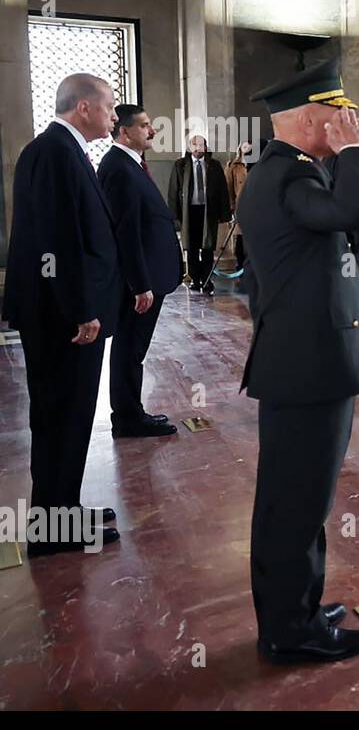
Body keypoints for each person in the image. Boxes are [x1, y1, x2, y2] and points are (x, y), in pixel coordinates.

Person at [239, 57, 359, 664]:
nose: (349, 121)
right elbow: (354, 214)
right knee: (297, 501)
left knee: (298, 498)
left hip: (303, 360)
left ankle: (295, 608)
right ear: (311, 119)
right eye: (340, 113)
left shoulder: (288, 172)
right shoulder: (290, 178)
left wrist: (348, 159)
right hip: (307, 365)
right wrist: (358, 152)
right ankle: (290, 631)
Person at [2, 74, 123, 556]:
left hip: (62, 312)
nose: (115, 115)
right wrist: (81, 309)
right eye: (110, 106)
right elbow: (56, 241)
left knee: (69, 417)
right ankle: (52, 530)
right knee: (61, 416)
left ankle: (62, 512)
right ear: (85, 108)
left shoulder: (62, 150)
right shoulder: (54, 152)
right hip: (63, 318)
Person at [99, 103, 183, 438]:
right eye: (145, 125)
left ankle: (130, 412)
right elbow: (125, 231)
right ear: (125, 131)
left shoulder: (130, 164)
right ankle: (128, 418)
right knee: (130, 347)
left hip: (147, 274)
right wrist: (139, 284)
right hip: (140, 280)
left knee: (134, 348)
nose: (152, 130)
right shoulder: (119, 168)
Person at [167, 133, 232, 293]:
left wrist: (225, 214)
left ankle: (207, 279)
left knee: (208, 246)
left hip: (208, 211)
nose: (198, 148)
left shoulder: (214, 165)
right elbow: (173, 191)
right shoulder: (180, 165)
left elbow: (222, 190)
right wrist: (174, 215)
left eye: (201, 145)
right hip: (189, 212)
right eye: (194, 145)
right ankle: (195, 280)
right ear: (189, 147)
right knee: (192, 247)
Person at [226, 141, 254, 270]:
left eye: (249, 146)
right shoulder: (234, 166)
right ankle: (240, 266)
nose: (247, 148)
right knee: (240, 239)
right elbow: (229, 187)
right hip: (240, 206)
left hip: (255, 207)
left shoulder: (256, 165)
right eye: (244, 146)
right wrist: (231, 206)